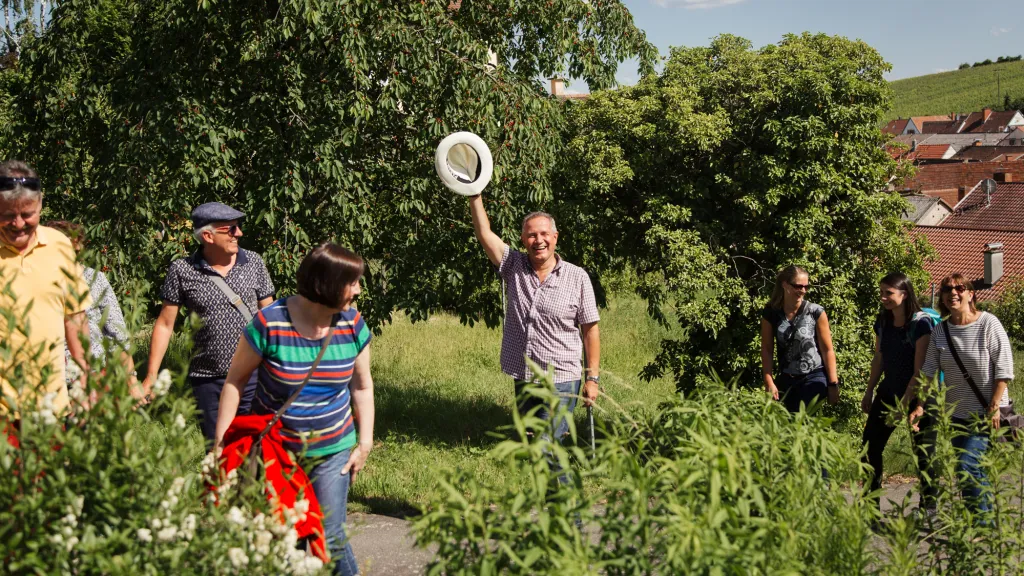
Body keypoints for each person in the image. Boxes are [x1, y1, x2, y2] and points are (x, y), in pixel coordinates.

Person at [214, 242, 374, 576]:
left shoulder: (352, 324)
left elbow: (362, 386)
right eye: (352, 282)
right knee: (287, 538)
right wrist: (221, 445)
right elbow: (234, 382)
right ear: (327, 284)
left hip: (333, 450)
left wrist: (365, 443)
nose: (358, 290)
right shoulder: (269, 323)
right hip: (278, 452)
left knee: (329, 537)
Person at [466, 194, 600, 457]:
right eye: (531, 235)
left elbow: (590, 330)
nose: (538, 240)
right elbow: (484, 234)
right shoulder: (513, 266)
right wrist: (475, 195)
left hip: (562, 379)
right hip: (525, 376)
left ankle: (559, 485)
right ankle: (547, 484)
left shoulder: (577, 277)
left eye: (544, 234)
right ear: (523, 239)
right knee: (533, 446)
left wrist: (592, 379)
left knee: (548, 445)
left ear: (555, 237)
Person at [140, 202, 274, 441]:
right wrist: (151, 376)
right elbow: (165, 324)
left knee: (256, 446)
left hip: (254, 375)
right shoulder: (182, 270)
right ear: (207, 236)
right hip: (208, 379)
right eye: (230, 229)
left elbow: (270, 316)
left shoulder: (253, 262)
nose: (239, 233)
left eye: (238, 227)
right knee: (217, 447)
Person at [912, 274, 1014, 516]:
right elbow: (928, 371)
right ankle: (980, 518)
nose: (952, 293)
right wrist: (920, 405)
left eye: (959, 288)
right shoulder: (940, 331)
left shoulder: (989, 323)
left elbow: (1004, 369)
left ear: (970, 293)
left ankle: (982, 522)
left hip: (987, 412)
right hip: (957, 413)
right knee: (968, 468)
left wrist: (995, 405)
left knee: (967, 465)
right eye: (947, 289)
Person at [0, 160, 91, 419]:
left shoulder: (59, 246)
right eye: (7, 215)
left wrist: (84, 381)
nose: (18, 224)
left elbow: (75, 318)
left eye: (27, 214)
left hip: (49, 405)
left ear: (40, 204)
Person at [860, 272, 934, 509]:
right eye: (881, 292)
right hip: (889, 390)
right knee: (869, 447)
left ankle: (928, 509)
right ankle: (870, 507)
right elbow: (879, 358)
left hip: (920, 396)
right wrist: (869, 391)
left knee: (924, 453)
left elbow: (920, 371)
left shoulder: (921, 324)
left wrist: (905, 405)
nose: (883, 297)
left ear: (905, 294)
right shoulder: (883, 321)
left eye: (888, 293)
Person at [44, 221, 136, 387]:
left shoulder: (94, 279)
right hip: (50, 378)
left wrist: (131, 380)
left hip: (94, 375)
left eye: (76, 251)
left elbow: (117, 333)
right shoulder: (38, 282)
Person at [761, 265, 840, 413]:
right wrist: (768, 380)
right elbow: (766, 349)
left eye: (806, 287)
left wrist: (833, 384)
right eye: (798, 286)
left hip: (814, 375)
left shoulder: (816, 311)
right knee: (790, 421)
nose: (803, 290)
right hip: (787, 378)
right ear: (785, 285)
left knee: (804, 416)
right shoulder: (771, 313)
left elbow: (827, 349)